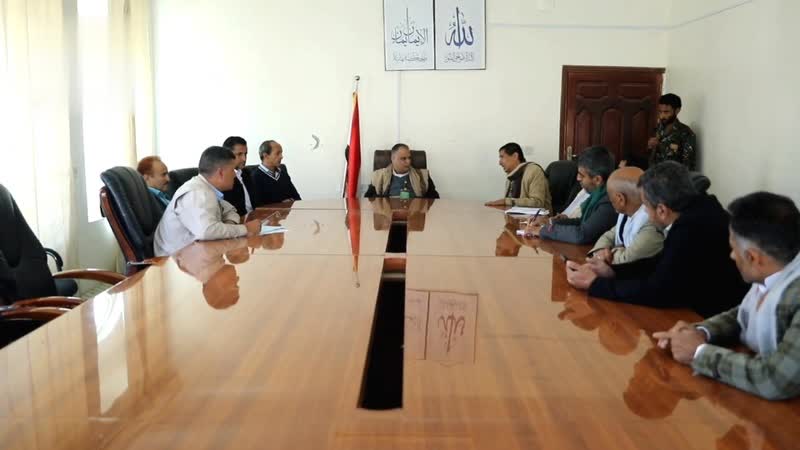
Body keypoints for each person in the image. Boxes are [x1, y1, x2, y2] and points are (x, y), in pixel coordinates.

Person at [653, 192, 800, 400]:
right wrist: (699, 332)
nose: (731, 255)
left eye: (733, 249)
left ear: (753, 257)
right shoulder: (779, 268)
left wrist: (699, 352)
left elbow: (774, 380)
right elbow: (745, 313)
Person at [566, 161, 748, 317]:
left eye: (645, 206)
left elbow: (659, 290)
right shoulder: (699, 208)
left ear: (661, 210)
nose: (644, 213)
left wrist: (596, 285)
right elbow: (659, 262)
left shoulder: (692, 227)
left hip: (711, 318)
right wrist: (613, 272)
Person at [153, 146, 261, 256]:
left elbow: (231, 211)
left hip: (195, 253)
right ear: (221, 173)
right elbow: (206, 231)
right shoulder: (196, 193)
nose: (234, 174)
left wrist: (228, 226)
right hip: (172, 259)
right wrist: (245, 229)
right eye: (232, 170)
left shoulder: (207, 189)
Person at [528, 146, 617, 245]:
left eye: (581, 175)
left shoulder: (609, 202)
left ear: (597, 180)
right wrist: (548, 222)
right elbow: (581, 222)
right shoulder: (597, 194)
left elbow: (581, 234)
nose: (578, 178)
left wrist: (544, 231)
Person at [588, 167, 664, 264]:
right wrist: (601, 250)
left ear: (620, 199)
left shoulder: (651, 223)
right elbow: (610, 235)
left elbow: (627, 260)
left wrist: (607, 254)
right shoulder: (628, 213)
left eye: (610, 197)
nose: (609, 200)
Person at [625, 93, 696, 170]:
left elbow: (687, 167)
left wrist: (661, 146)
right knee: (626, 161)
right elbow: (651, 154)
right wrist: (650, 146)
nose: (662, 116)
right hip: (652, 169)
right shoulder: (659, 127)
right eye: (660, 112)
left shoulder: (686, 133)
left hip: (669, 173)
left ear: (677, 111)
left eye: (666, 112)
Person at [485, 142, 552, 211]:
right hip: (517, 215)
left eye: (502, 157)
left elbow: (538, 202)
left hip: (539, 217)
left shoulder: (534, 171)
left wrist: (506, 201)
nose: (499, 163)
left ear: (515, 156)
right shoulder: (511, 175)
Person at [364, 143, 439, 199]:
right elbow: (369, 199)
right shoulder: (378, 176)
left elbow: (434, 198)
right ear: (393, 159)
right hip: (389, 213)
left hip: (414, 213)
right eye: (403, 158)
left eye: (409, 158)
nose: (408, 161)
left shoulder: (422, 175)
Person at [251, 140, 302, 206]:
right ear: (266, 156)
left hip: (288, 211)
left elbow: (297, 198)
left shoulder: (282, 173)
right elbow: (258, 206)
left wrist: (288, 202)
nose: (281, 156)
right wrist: (282, 204)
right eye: (277, 153)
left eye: (281, 153)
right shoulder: (255, 177)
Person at [221, 136, 254, 216]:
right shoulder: (223, 179)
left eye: (245, 154)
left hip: (255, 216)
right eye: (239, 154)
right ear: (227, 156)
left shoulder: (246, 173)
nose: (244, 159)